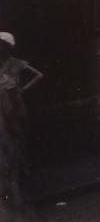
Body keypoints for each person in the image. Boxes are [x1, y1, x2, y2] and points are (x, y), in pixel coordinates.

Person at [0, 32, 43, 218]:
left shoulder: (15, 63)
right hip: (2, 108)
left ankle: (18, 181)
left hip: (14, 107)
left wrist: (21, 90)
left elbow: (39, 75)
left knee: (15, 140)